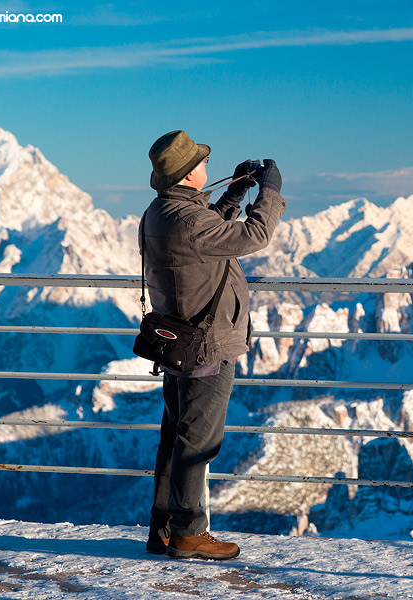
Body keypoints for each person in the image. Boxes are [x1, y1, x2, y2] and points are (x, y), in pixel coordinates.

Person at [141, 130, 285, 560]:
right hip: (207, 344)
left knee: (175, 436)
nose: (208, 167)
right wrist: (270, 191)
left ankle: (163, 529)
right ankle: (189, 534)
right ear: (188, 175)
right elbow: (252, 236)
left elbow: (208, 234)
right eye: (202, 162)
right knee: (198, 442)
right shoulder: (187, 220)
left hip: (179, 341)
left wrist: (237, 191)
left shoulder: (161, 212)